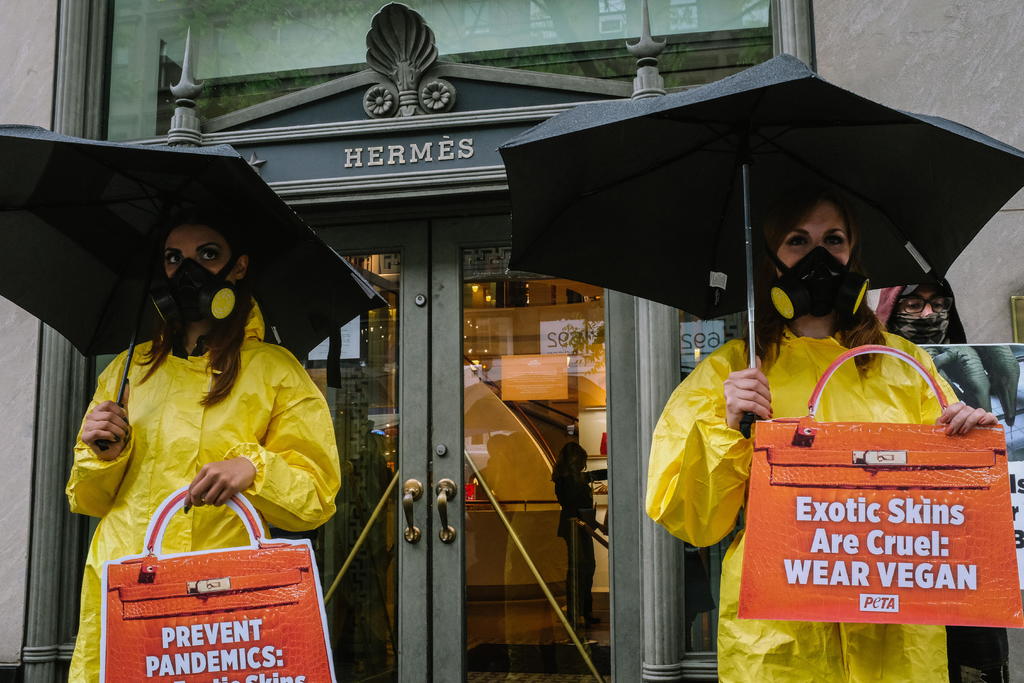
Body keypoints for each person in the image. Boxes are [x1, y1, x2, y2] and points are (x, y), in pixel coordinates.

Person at [645, 187, 997, 682]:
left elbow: (954, 514)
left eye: (833, 239)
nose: (819, 256)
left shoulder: (905, 365)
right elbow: (694, 522)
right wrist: (726, 425)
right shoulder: (731, 374)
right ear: (770, 261)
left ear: (854, 253)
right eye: (797, 241)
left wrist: (968, 443)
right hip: (780, 638)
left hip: (894, 632)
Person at [66, 207, 341, 682]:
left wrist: (253, 470)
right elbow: (88, 500)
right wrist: (103, 455)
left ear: (239, 267)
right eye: (173, 258)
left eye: (207, 254)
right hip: (129, 588)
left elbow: (316, 498)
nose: (186, 270)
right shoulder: (128, 370)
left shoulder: (275, 371)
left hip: (223, 607)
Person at [879, 283, 1010, 683]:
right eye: (913, 304)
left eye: (938, 304)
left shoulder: (977, 370)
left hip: (964, 566)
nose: (928, 315)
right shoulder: (862, 377)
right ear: (890, 311)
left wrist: (984, 436)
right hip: (895, 561)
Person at [552, 441, 600, 626]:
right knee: (580, 569)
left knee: (583, 569)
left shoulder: (567, 479)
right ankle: (578, 612)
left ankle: (581, 612)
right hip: (576, 526)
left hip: (578, 525)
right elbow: (573, 503)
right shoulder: (568, 480)